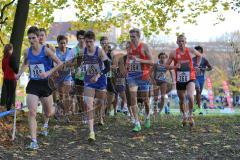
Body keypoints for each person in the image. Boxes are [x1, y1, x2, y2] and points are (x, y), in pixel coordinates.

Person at [16, 26, 62, 149]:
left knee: (48, 112)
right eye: (29, 38)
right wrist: (20, 73)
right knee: (32, 112)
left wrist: (48, 72)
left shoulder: (46, 50)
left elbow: (60, 63)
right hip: (33, 84)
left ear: (38, 37)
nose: (31, 40)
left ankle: (54, 109)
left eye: (33, 38)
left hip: (45, 84)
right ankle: (34, 140)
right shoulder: (27, 51)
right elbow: (25, 63)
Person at [166, 34, 202, 127]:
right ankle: (184, 115)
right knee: (182, 100)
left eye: (183, 41)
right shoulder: (173, 53)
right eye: (179, 41)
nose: (181, 43)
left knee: (190, 96)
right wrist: (174, 66)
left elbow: (199, 55)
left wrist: (197, 65)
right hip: (179, 79)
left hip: (191, 77)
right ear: (177, 42)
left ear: (186, 42)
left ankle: (190, 115)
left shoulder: (190, 50)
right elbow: (166, 66)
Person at [82, 31, 110, 141]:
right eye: (87, 41)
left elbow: (107, 67)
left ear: (94, 41)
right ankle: (91, 132)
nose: (88, 44)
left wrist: (98, 75)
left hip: (100, 80)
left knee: (100, 102)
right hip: (88, 80)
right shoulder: (82, 51)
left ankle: (100, 116)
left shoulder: (99, 51)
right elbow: (79, 63)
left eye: (90, 42)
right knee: (89, 105)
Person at [126, 28, 153, 132]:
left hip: (143, 76)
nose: (132, 39)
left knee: (145, 100)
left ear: (138, 36)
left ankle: (147, 117)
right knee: (133, 98)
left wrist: (139, 60)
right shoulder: (129, 46)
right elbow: (129, 59)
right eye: (130, 36)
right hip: (132, 75)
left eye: (133, 36)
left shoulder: (144, 46)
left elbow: (151, 61)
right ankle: (137, 123)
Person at [55, 35, 73, 116]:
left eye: (64, 43)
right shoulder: (55, 51)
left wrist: (70, 65)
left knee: (67, 93)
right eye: (61, 43)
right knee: (61, 94)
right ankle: (61, 109)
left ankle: (67, 111)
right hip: (58, 76)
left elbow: (73, 63)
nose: (63, 45)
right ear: (58, 43)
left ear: (67, 43)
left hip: (67, 75)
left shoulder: (70, 51)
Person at [151, 52, 173, 119]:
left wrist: (172, 80)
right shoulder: (156, 64)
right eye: (161, 57)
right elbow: (150, 73)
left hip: (163, 81)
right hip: (156, 81)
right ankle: (155, 110)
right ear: (159, 58)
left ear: (165, 58)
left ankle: (159, 111)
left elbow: (171, 71)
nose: (162, 59)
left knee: (163, 97)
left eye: (164, 57)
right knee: (155, 98)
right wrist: (153, 80)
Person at [71, 30, 86, 121]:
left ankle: (88, 114)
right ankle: (83, 113)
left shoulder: (89, 49)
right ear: (77, 39)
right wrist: (75, 65)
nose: (81, 40)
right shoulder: (73, 50)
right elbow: (70, 63)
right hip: (78, 76)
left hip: (88, 76)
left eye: (83, 38)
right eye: (79, 38)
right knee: (80, 96)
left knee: (88, 96)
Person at [192, 46, 212, 114]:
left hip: (201, 78)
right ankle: (199, 108)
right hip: (194, 77)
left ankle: (196, 106)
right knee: (197, 89)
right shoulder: (192, 59)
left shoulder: (204, 60)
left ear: (201, 52)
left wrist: (203, 69)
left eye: (199, 51)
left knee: (199, 93)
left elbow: (210, 68)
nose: (198, 52)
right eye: (196, 51)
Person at [1, 44, 18, 111]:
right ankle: (8, 110)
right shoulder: (12, 57)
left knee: (8, 94)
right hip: (12, 78)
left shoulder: (4, 58)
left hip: (5, 78)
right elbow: (16, 69)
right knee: (11, 95)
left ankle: (7, 108)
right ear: (11, 49)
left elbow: (3, 69)